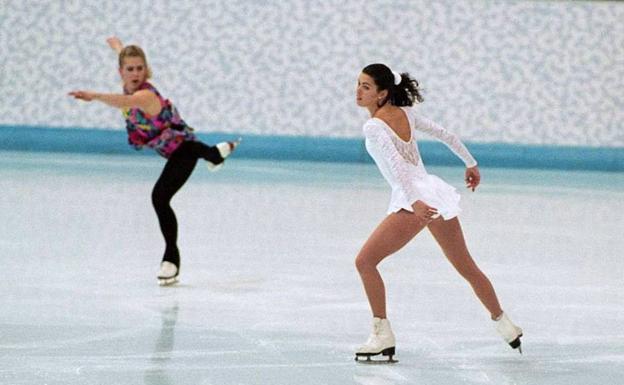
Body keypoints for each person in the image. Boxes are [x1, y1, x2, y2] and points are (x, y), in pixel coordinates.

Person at [353, 63, 522, 363]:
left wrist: (415, 202)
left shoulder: (374, 126)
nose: (358, 91)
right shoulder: (406, 114)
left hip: (415, 199)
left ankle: (382, 335)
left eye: (366, 86)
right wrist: (470, 163)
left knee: (365, 262)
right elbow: (447, 135)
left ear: (382, 93)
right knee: (466, 266)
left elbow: (395, 163)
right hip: (434, 192)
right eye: (358, 84)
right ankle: (506, 325)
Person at [69, 37, 239, 286]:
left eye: (140, 68)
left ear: (146, 70)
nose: (136, 73)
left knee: (159, 198)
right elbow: (124, 56)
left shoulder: (145, 96)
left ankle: (171, 259)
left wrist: (92, 95)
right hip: (173, 149)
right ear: (121, 71)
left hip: (183, 149)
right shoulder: (128, 80)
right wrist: (117, 46)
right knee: (174, 182)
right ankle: (215, 154)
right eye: (130, 69)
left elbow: (124, 102)